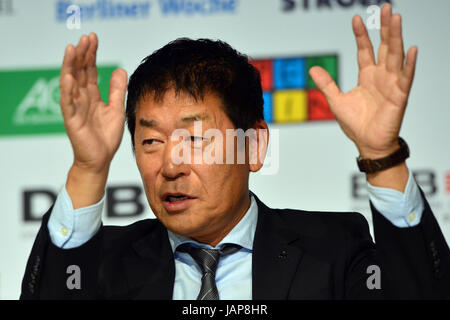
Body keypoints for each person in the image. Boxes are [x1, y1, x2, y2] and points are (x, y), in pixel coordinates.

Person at [21, 4, 449, 299]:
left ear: (254, 145)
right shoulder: (102, 262)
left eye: (196, 139)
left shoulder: (334, 251)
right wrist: (89, 168)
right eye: (151, 141)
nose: (170, 165)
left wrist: (383, 154)